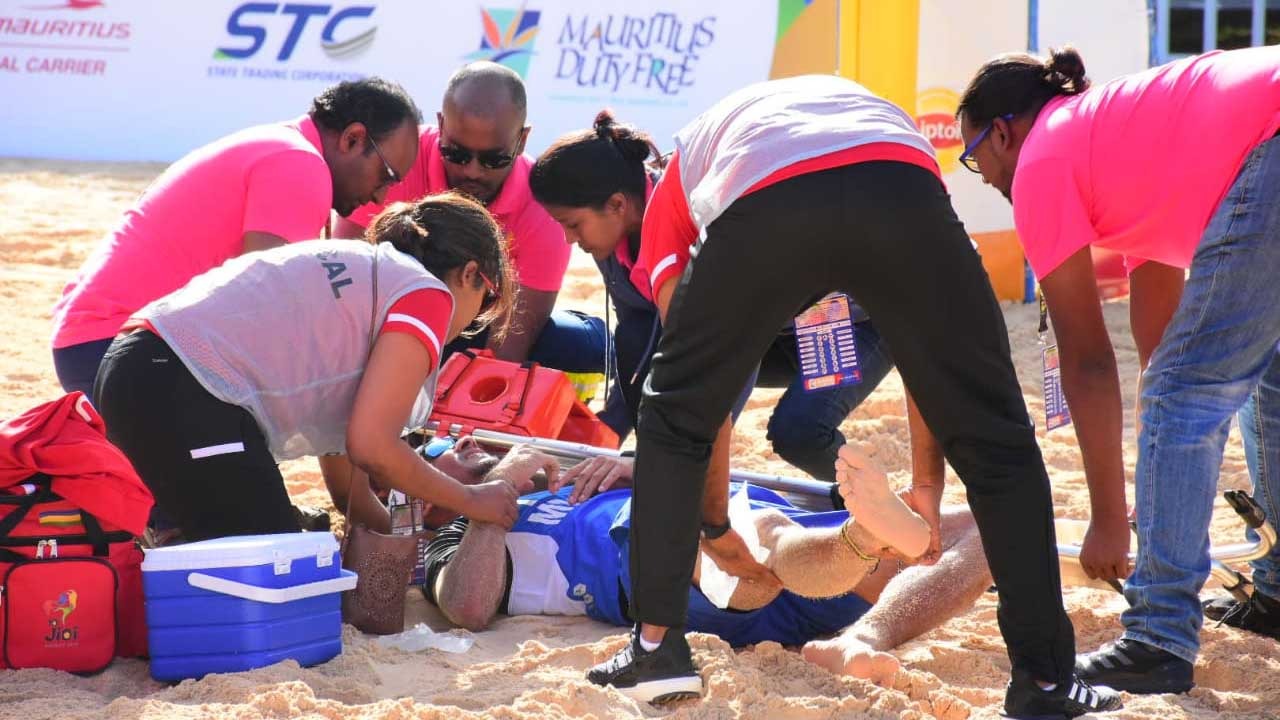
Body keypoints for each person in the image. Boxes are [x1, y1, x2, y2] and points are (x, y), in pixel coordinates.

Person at [583, 74, 1119, 719]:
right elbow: (926, 360)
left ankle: (656, 651)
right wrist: (928, 487)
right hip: (899, 183)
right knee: (998, 441)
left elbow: (697, 402)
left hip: (769, 197)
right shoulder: (863, 120)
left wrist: (716, 525)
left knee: (670, 417)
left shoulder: (679, 178)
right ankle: (1046, 682)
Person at [955, 45, 1280, 694]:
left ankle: (1158, 638)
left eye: (973, 155)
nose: (981, 175)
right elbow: (1161, 340)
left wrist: (1109, 519)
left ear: (1002, 133)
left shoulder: (1042, 161)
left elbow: (1090, 361)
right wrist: (1155, 492)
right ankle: (1275, 595)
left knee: (1185, 393)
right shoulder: (1115, 141)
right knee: (1264, 381)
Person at [92, 193, 525, 542]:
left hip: (135, 365)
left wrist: (403, 540)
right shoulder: (427, 294)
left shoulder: (370, 282)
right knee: (276, 574)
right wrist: (472, 499)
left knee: (242, 543)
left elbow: (348, 490)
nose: (471, 323)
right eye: (486, 300)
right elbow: (373, 449)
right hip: (183, 384)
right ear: (469, 273)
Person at [416, 439, 991, 693]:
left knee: (986, 531)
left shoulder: (543, 480)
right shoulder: (458, 542)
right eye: (434, 454)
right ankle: (864, 537)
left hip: (748, 535)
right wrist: (493, 494)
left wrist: (640, 468)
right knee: (757, 544)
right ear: (425, 505)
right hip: (650, 561)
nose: (460, 442)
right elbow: (468, 606)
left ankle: (863, 635)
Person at [528, 111, 897, 484]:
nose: (569, 240)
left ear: (617, 204)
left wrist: (670, 458)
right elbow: (638, 346)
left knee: (799, 431)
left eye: (573, 225)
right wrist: (605, 441)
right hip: (767, 328)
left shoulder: (702, 224)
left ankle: (881, 508)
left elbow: (731, 354)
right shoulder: (610, 238)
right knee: (643, 348)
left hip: (833, 318)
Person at [51, 77, 422, 397]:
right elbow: (263, 309)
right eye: (385, 176)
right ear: (353, 139)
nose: (380, 198)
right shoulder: (300, 165)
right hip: (115, 348)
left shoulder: (282, 145)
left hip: (98, 342)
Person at [335, 62, 604, 377]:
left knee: (582, 344)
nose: (472, 172)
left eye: (493, 159)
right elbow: (343, 284)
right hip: (381, 324)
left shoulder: (541, 203)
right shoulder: (395, 158)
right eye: (457, 154)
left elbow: (509, 344)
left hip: (474, 332)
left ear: (522, 140)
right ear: (441, 125)